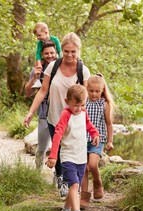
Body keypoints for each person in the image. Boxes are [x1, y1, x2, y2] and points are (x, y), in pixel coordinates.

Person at [22, 32, 91, 198]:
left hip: (74, 119)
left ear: (78, 51)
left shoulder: (83, 71)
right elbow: (42, 91)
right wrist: (31, 112)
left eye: (73, 51)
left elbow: (85, 98)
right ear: (62, 50)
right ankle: (62, 180)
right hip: (54, 116)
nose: (69, 55)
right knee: (58, 148)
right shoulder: (53, 67)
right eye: (66, 51)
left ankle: (70, 182)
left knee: (70, 149)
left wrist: (89, 123)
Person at [46, 84, 99, 211]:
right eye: (76, 105)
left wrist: (95, 134)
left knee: (75, 188)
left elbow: (89, 126)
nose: (79, 108)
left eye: (82, 105)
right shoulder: (66, 115)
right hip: (68, 156)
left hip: (81, 157)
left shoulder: (83, 113)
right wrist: (53, 156)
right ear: (67, 101)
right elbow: (57, 135)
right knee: (74, 185)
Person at [80, 74, 114, 208]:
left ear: (102, 90)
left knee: (93, 165)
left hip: (97, 140)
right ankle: (84, 196)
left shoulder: (104, 104)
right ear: (86, 89)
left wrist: (110, 141)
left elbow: (109, 124)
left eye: (97, 91)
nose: (94, 94)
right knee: (83, 168)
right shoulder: (83, 102)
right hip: (82, 139)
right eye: (91, 91)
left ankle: (97, 182)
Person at [24, 40, 57, 170]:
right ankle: (37, 172)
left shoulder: (61, 68)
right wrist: (34, 77)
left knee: (59, 146)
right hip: (44, 112)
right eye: (46, 53)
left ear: (56, 53)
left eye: (52, 53)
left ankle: (57, 176)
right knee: (42, 147)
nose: (50, 56)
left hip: (60, 112)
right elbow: (27, 92)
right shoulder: (37, 69)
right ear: (42, 55)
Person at [32, 22, 61, 89]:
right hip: (44, 60)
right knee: (38, 65)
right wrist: (39, 64)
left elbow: (59, 51)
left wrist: (59, 60)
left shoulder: (55, 39)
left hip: (56, 59)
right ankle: (37, 80)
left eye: (39, 35)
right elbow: (38, 53)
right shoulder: (40, 43)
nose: (38, 38)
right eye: (37, 36)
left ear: (46, 32)